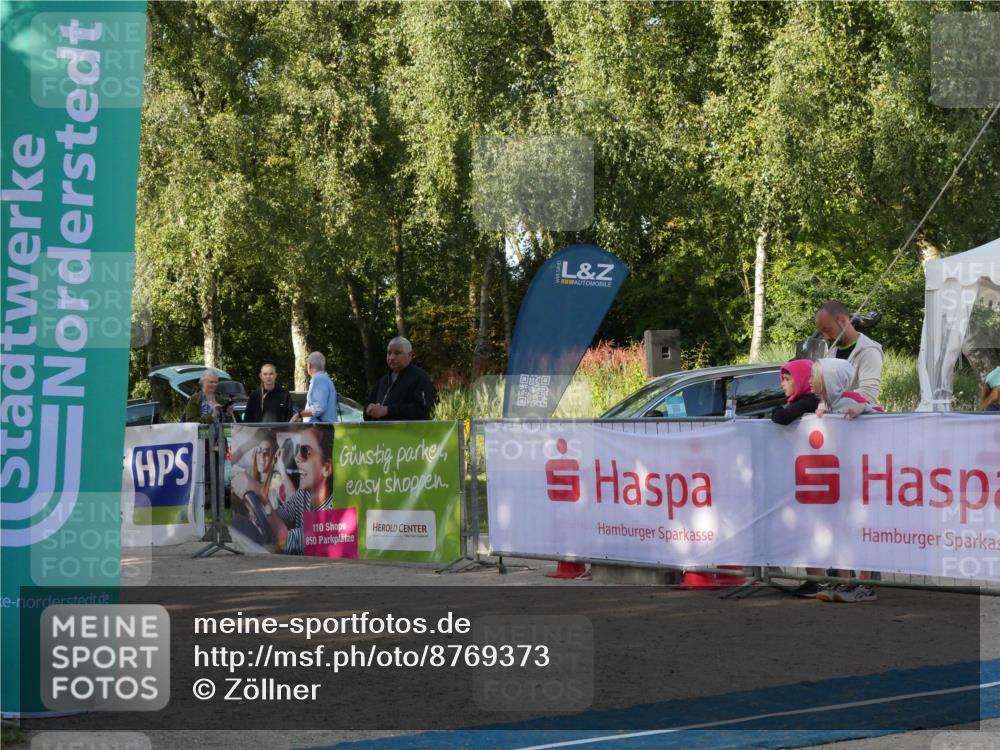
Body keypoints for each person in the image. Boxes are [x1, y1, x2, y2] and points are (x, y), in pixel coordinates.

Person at [810, 358, 880, 603]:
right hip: (840, 479)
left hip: (858, 479)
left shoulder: (849, 400)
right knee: (840, 532)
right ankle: (847, 582)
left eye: (815, 377)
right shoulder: (828, 405)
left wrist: (864, 409)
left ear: (828, 380)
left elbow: (877, 413)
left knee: (859, 531)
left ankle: (864, 585)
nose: (810, 382)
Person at [263, 425, 333, 555]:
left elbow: (285, 541)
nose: (296, 458)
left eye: (306, 452)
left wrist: (261, 499)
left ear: (326, 468)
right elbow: (279, 516)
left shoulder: (332, 511)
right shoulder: (303, 495)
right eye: (298, 450)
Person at [814, 300, 884, 404]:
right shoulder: (832, 349)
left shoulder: (869, 351)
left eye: (828, 330)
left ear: (842, 321)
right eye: (822, 332)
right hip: (832, 417)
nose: (826, 337)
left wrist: (833, 401)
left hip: (854, 419)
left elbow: (868, 394)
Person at [365, 337, 435, 421]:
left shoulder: (420, 377)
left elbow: (422, 410)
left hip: (407, 433)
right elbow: (368, 404)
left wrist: (387, 410)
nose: (391, 357)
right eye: (389, 353)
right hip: (379, 433)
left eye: (397, 353)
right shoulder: (383, 380)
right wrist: (368, 409)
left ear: (410, 355)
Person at [770, 359, 821, 426]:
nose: (782, 383)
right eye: (783, 379)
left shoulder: (807, 402)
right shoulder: (812, 398)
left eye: (787, 379)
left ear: (801, 380)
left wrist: (776, 410)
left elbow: (780, 417)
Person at [292, 351, 338, 424]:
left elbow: (318, 408)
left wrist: (299, 415)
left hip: (319, 430)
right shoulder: (325, 380)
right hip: (323, 429)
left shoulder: (319, 379)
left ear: (309, 365)